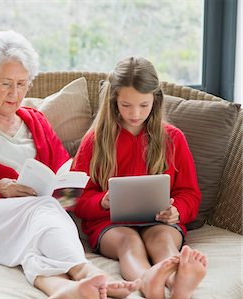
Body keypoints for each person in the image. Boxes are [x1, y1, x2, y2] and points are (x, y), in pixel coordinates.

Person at [0, 30, 141, 299]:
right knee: (42, 210)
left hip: (24, 217)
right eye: (6, 83)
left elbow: (64, 182)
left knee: (42, 223)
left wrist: (66, 191)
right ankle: (83, 270)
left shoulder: (36, 123)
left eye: (22, 84)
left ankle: (62, 288)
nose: (15, 93)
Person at [72, 56, 208, 299]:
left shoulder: (172, 138)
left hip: (160, 222)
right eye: (126, 105)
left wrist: (178, 212)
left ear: (155, 101)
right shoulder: (95, 140)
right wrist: (101, 201)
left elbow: (189, 193)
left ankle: (178, 282)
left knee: (163, 241)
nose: (135, 113)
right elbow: (73, 197)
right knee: (129, 244)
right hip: (110, 225)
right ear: (113, 101)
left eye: (143, 105)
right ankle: (149, 282)